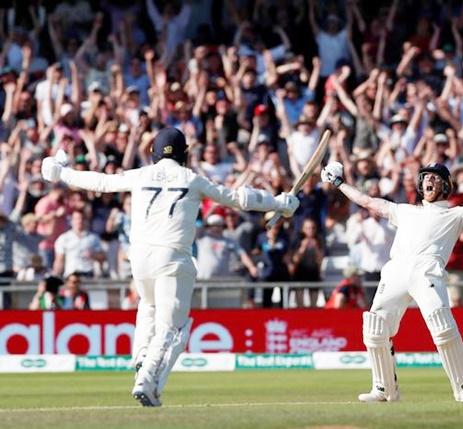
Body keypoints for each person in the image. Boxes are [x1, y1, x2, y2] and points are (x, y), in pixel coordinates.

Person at [41, 127, 299, 407]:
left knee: (148, 305)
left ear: (153, 153)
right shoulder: (192, 178)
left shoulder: (140, 174)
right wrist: (280, 202)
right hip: (173, 259)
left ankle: (141, 358)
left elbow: (101, 182)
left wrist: (60, 172)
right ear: (185, 154)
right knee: (174, 328)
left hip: (139, 260)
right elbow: (239, 198)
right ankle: (147, 378)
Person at [321, 161, 463, 402]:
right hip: (395, 270)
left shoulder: (456, 214)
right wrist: (338, 183)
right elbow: (367, 201)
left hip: (427, 272)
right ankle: (384, 389)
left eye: (435, 178)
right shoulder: (404, 210)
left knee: (442, 326)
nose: (429, 180)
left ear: (446, 185)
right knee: (375, 328)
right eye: (426, 177)